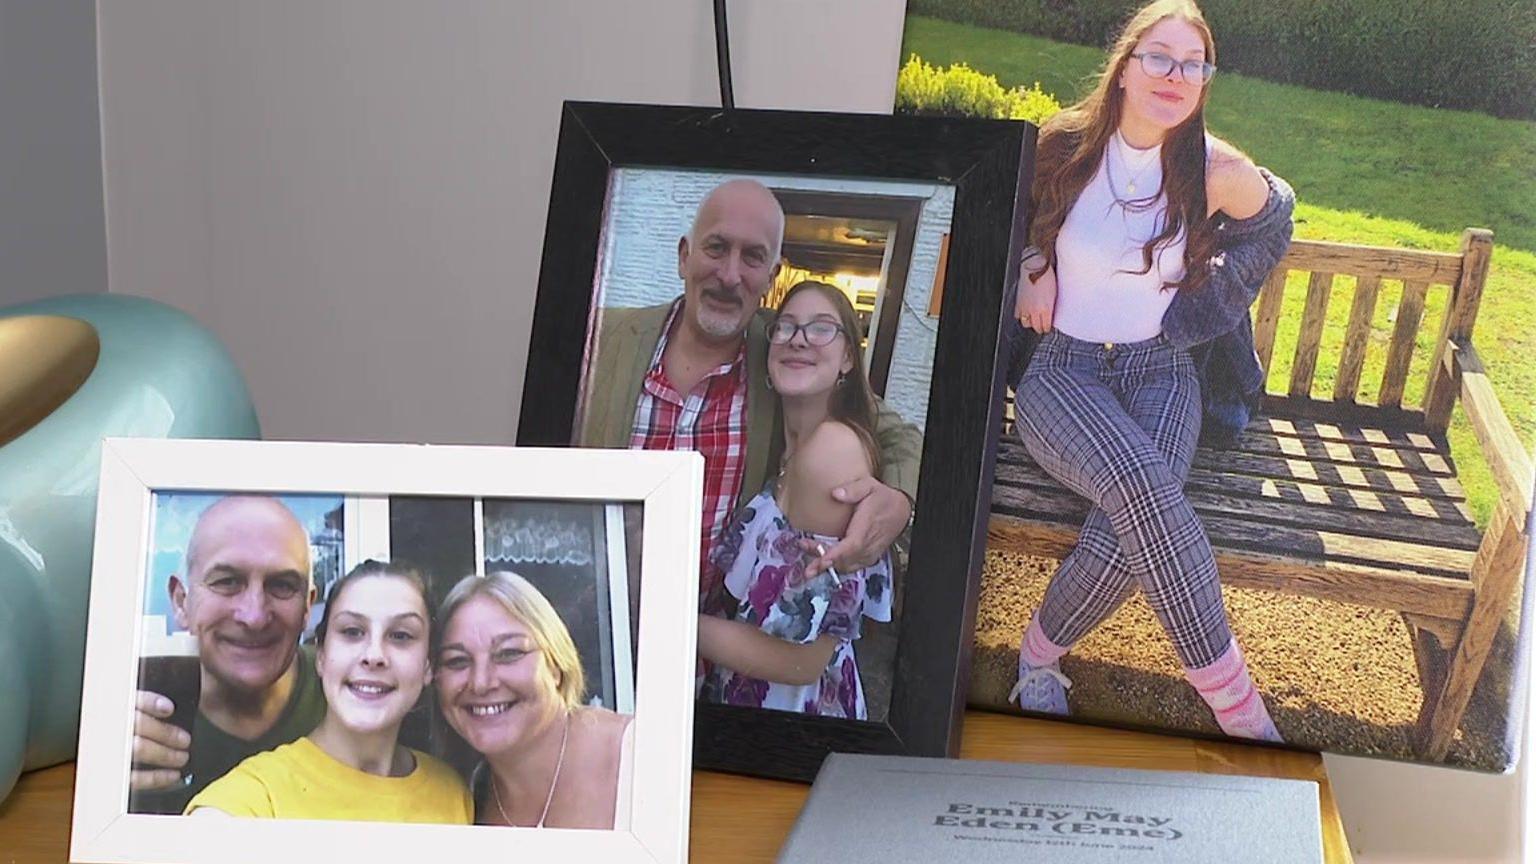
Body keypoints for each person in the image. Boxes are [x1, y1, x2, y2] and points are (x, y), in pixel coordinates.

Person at [1007, 0, 1293, 741]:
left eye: (1193, 64)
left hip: (1161, 371)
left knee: (1130, 518)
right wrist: (1030, 266)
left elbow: (1277, 216)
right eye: (1159, 57)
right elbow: (998, 215)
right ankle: (1241, 713)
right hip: (1063, 373)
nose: (1175, 75)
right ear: (1126, 67)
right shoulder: (1061, 145)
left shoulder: (1214, 169)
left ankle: (1036, 659)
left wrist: (1204, 311)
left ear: (1205, 80)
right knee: (1142, 489)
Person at [578, 178, 922, 611]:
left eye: (753, 257)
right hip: (582, 625)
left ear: (772, 275)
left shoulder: (781, 355)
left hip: (704, 655)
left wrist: (899, 501)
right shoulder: (601, 337)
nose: (729, 275)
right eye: (716, 247)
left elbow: (898, 435)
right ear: (685, 256)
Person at [697, 281, 893, 719]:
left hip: (792, 719)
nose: (799, 338)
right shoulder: (790, 450)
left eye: (822, 328)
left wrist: (657, 618)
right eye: (785, 327)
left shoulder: (831, 452)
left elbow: (801, 660)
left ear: (847, 358)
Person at [184, 560, 472, 822]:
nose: (374, 655)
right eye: (352, 631)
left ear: (427, 666)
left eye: (400, 636)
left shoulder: (453, 794)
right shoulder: (256, 797)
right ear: (321, 655)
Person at [129, 496, 327, 814]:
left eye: (282, 585)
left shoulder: (351, 692)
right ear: (182, 602)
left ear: (307, 605)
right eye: (227, 582)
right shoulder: (133, 704)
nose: (254, 616)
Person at [435, 571, 632, 829]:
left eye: (508, 653)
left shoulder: (638, 755)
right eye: (457, 661)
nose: (481, 683)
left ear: (555, 665)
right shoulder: (465, 798)